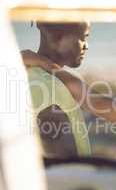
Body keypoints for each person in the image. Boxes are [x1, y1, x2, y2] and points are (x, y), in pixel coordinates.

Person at [22, 21, 90, 157]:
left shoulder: (30, 74)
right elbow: (65, 165)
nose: (86, 46)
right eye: (83, 38)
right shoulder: (50, 87)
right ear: (58, 38)